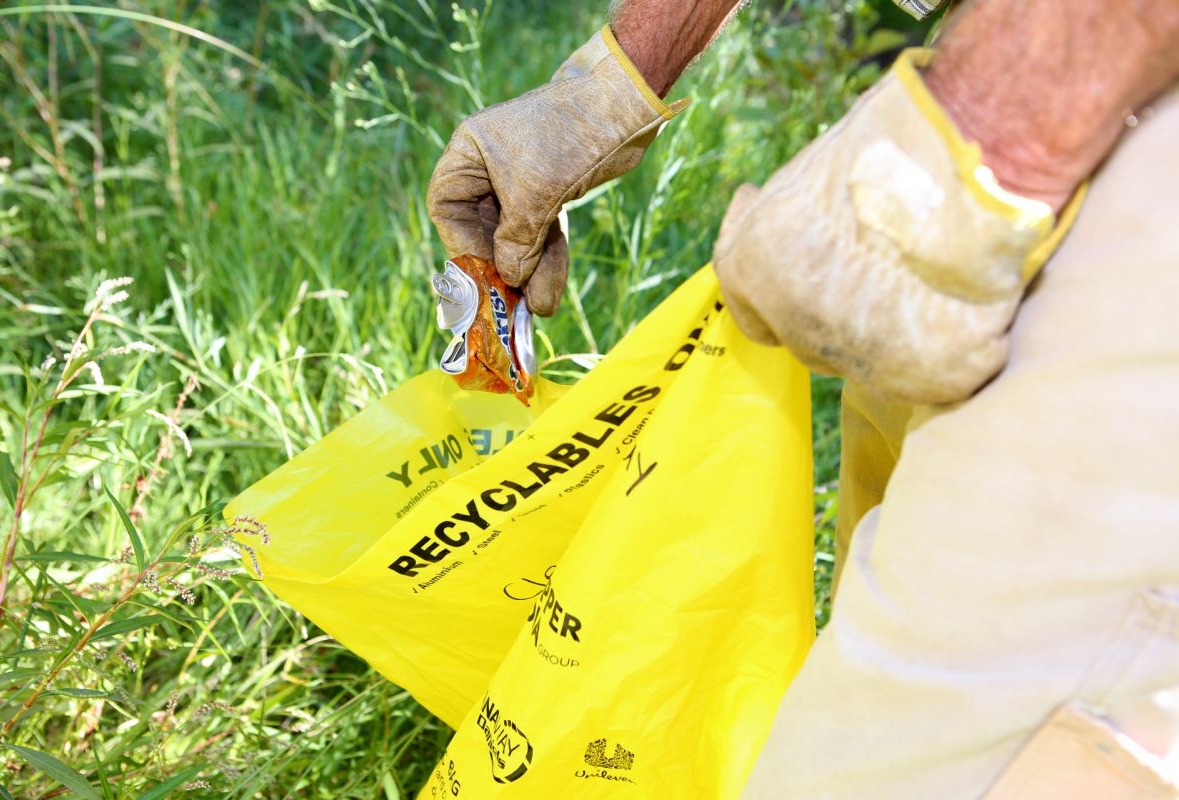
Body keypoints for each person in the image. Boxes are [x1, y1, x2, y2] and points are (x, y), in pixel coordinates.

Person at [427, 0, 1179, 795]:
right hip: (1007, 68)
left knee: (916, 748)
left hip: (1098, 107)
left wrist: (978, 148)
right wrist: (606, 90)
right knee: (886, 545)